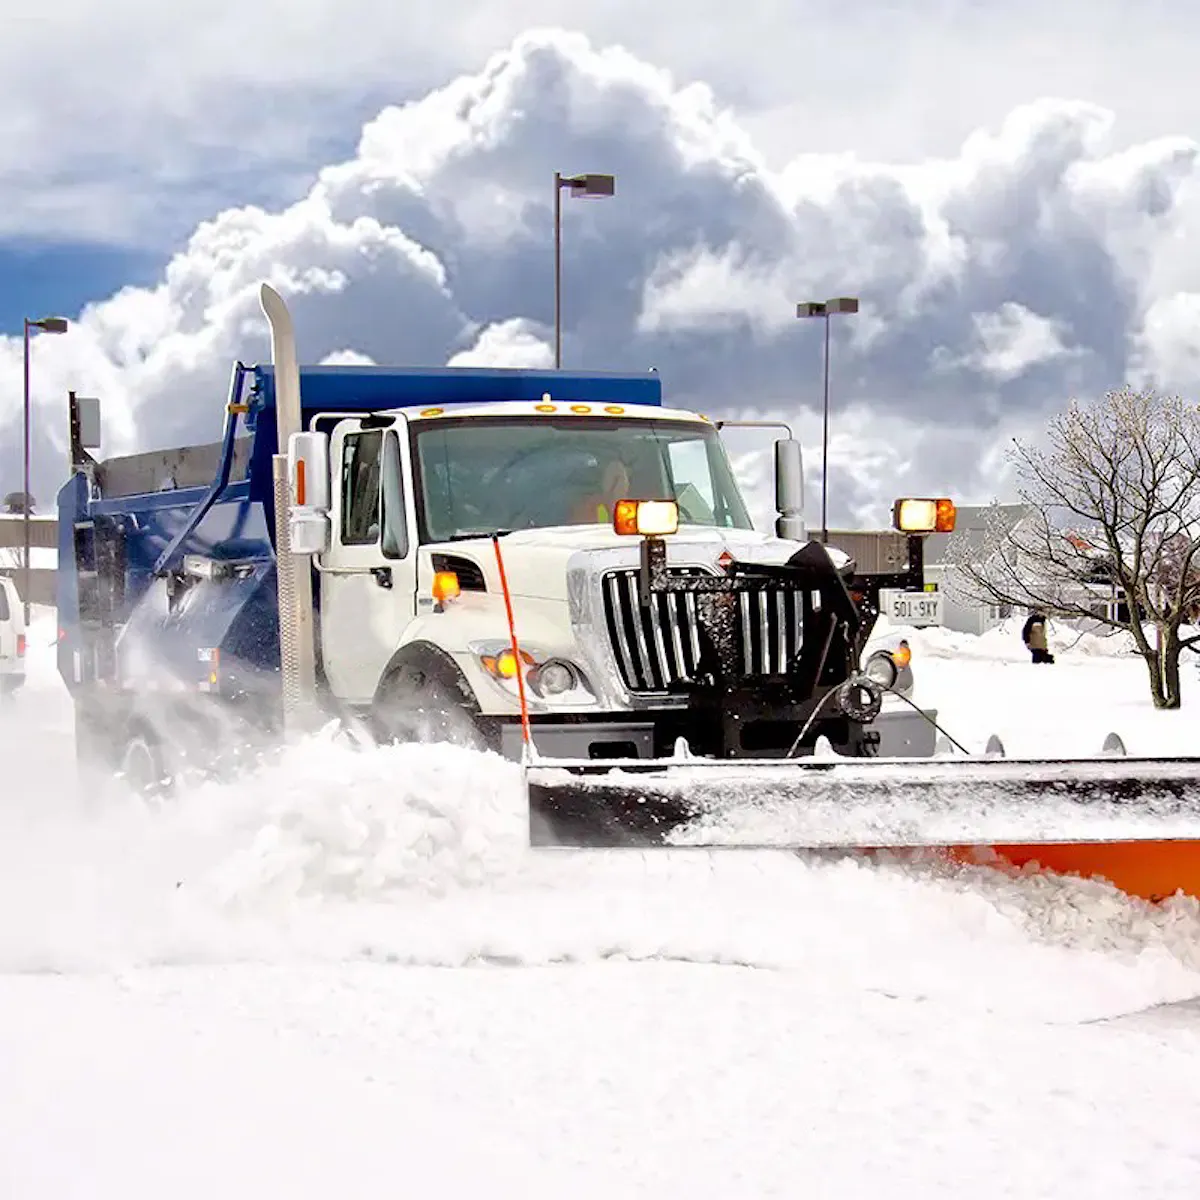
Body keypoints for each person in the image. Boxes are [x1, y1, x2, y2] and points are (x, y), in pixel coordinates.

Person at [569, 458, 631, 524]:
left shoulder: (635, 510)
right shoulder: (588, 507)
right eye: (617, 480)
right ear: (606, 484)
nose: (621, 485)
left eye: (624, 479)